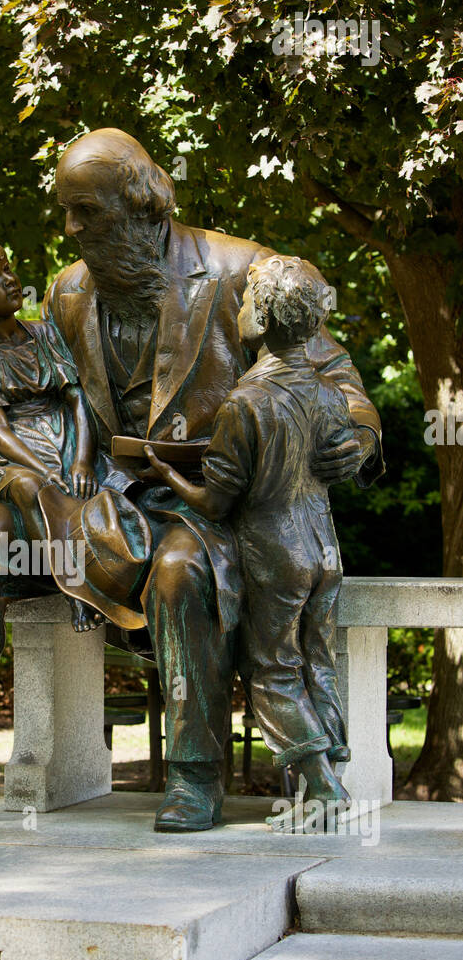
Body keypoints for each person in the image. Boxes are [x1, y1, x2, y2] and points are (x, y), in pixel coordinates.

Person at [0, 128, 383, 835]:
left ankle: (195, 776)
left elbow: (336, 382)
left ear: (143, 206)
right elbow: (33, 404)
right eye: (65, 212)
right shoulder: (68, 290)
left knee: (179, 572)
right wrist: (2, 463)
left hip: (207, 504)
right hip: (89, 496)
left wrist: (356, 436)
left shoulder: (240, 272)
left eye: (86, 211)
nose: (71, 229)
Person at [144, 254, 352, 822]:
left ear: (262, 317)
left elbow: (217, 501)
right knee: (318, 661)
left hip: (275, 553)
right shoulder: (330, 394)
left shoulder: (245, 401)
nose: (236, 309)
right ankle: (331, 774)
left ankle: (324, 786)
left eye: (246, 300)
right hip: (325, 550)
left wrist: (167, 473)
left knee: (272, 669)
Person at [0, 237, 130, 633]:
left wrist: (79, 459)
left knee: (117, 487)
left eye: (7, 268)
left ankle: (123, 573)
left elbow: (77, 401)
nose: (10, 280)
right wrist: (41, 467)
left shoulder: (43, 334)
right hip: (15, 454)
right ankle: (75, 589)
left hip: (68, 439)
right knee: (29, 488)